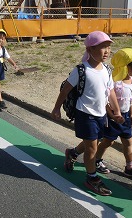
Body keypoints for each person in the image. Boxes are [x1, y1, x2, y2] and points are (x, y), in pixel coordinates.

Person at [51, 31, 122, 196]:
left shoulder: (106, 69)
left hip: (101, 114)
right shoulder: (81, 70)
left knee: (95, 141)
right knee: (92, 147)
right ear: (90, 49)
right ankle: (92, 178)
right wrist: (56, 108)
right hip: (85, 114)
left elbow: (110, 91)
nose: (106, 51)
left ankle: (73, 153)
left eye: (108, 47)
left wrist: (116, 110)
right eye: (102, 47)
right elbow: (65, 90)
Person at [94, 48, 132, 180]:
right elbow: (106, 101)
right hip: (113, 118)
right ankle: (96, 160)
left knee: (128, 142)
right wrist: (112, 116)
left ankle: (130, 166)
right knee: (108, 142)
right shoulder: (114, 83)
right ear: (126, 66)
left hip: (126, 118)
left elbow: (131, 100)